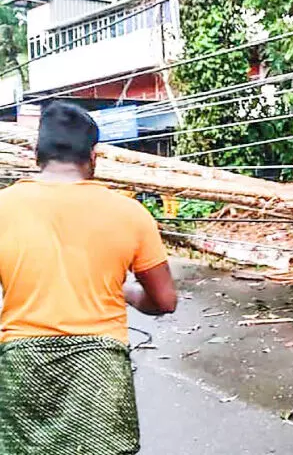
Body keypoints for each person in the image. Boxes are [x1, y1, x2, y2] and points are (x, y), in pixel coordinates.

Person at [0, 101, 177, 454]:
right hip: (99, 373)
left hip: (23, 369)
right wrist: (125, 291)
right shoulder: (130, 213)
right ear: (93, 156)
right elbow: (165, 301)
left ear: (36, 153)